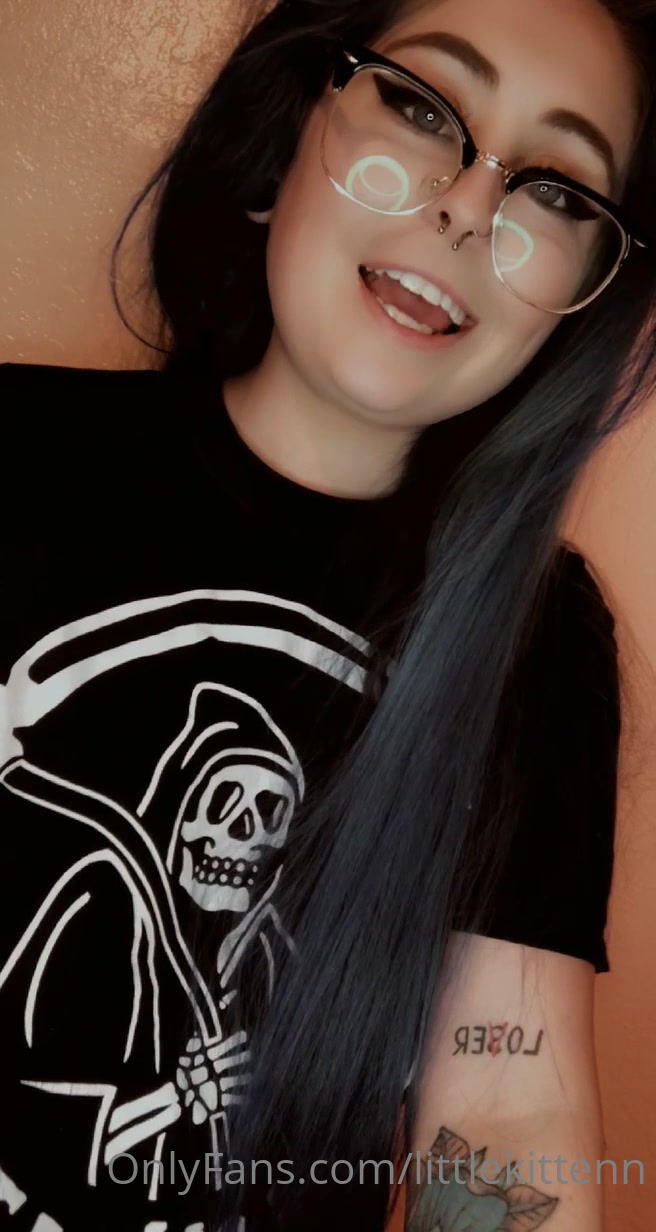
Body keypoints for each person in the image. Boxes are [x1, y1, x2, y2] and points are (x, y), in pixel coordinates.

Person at [1, 0, 655, 1229]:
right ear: (288, 129)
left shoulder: (537, 642)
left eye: (558, 190)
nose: (470, 205)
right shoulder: (15, 456)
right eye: (420, 106)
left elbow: (503, 1113)